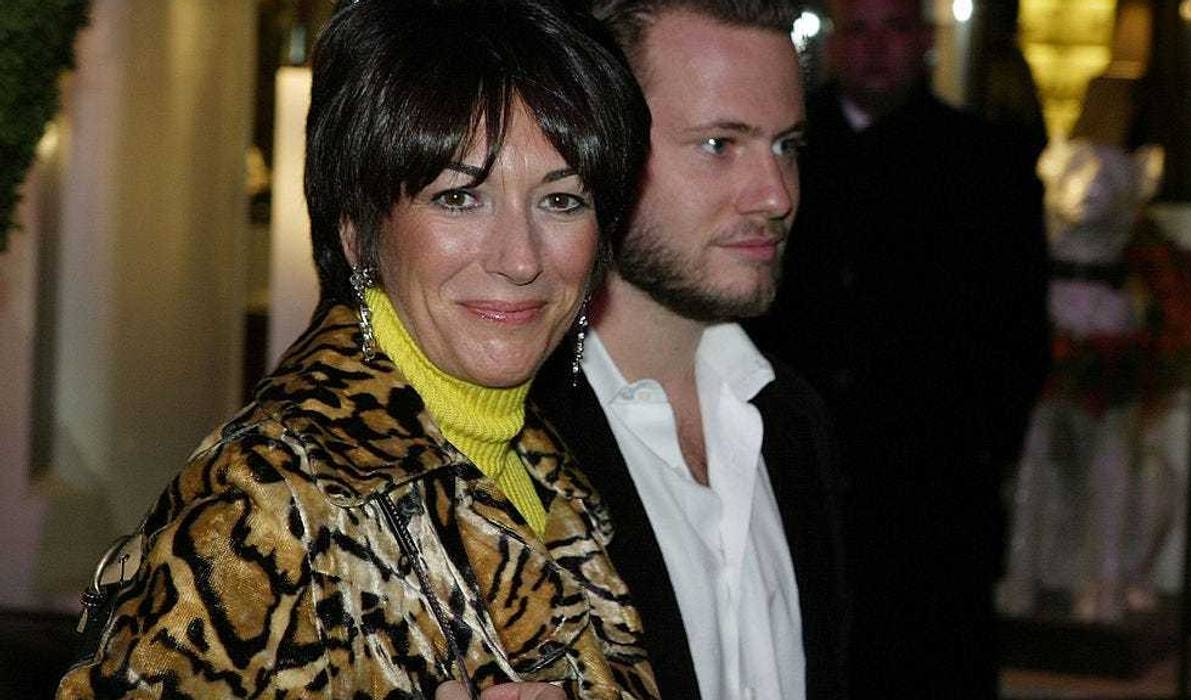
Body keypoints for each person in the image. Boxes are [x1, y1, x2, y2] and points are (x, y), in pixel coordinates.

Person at [55, 0, 656, 697]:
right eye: (459, 198)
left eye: (561, 201)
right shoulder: (269, 498)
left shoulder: (550, 470)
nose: (521, 259)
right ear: (356, 231)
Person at [532, 2, 848, 698]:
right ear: (597, 144)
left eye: (786, 146)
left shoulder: (791, 422)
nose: (774, 195)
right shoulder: (511, 437)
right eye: (718, 145)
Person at [755, 0, 1050, 696]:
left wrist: (983, 447)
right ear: (831, 43)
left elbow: (1018, 329)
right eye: (858, 30)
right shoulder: (782, 149)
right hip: (797, 468)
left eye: (892, 29)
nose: (874, 48)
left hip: (935, 483)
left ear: (921, 40)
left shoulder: (986, 158)